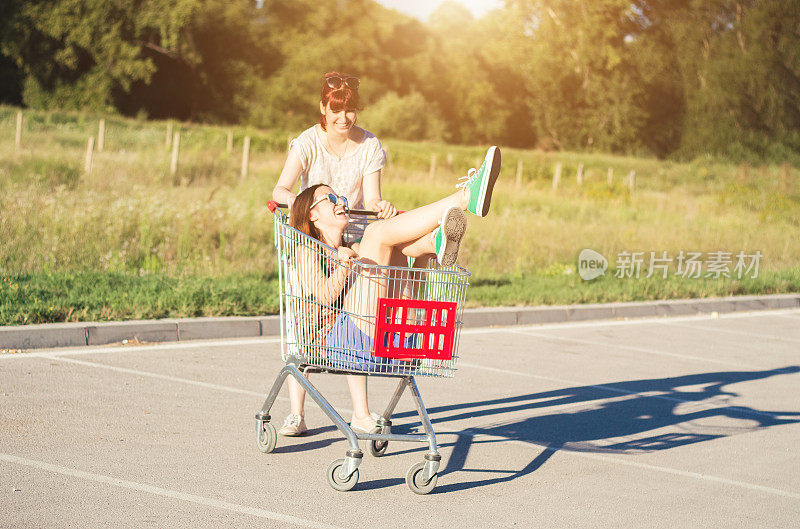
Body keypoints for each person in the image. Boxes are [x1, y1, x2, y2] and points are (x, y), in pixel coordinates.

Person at [288, 146, 501, 433]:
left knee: (389, 239)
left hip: (392, 338)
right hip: (339, 343)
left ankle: (431, 245)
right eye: (331, 198)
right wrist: (344, 265)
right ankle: (461, 202)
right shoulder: (309, 250)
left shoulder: (353, 248)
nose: (341, 201)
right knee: (378, 234)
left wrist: (357, 252)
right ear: (312, 215)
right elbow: (325, 296)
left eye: (341, 197)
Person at [272, 72, 397, 436]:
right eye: (336, 110)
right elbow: (281, 188)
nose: (344, 118)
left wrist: (381, 206)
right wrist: (309, 204)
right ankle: (297, 412)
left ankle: (361, 412)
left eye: (351, 110)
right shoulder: (308, 143)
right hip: (313, 239)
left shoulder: (370, 146)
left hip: (352, 242)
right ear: (323, 108)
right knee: (306, 321)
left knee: (353, 322)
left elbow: (371, 199)